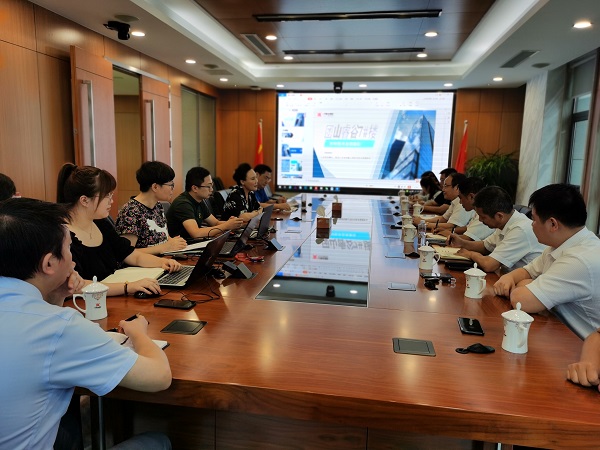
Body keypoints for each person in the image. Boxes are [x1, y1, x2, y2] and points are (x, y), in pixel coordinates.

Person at [0, 197, 172, 450]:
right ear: (49, 263)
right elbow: (159, 377)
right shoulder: (58, 328)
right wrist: (138, 333)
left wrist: (56, 295)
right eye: (69, 248)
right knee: (158, 442)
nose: (73, 261)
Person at [494, 183, 600, 339]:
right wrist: (510, 277)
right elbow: (528, 270)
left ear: (553, 224)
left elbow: (522, 301)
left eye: (534, 219)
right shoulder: (561, 244)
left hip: (580, 346)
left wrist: (524, 284)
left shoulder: (579, 259)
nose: (532, 224)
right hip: (558, 330)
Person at [57, 163, 181, 296]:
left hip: (113, 298)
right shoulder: (61, 236)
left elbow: (132, 255)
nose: (111, 201)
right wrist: (127, 287)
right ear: (84, 200)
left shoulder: (101, 224)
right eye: (107, 196)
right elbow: (76, 286)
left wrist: (162, 262)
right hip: (88, 303)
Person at [448, 186, 545, 272]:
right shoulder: (506, 222)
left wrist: (470, 254)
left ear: (499, 216)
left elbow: (489, 265)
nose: (480, 220)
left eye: (483, 217)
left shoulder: (520, 230)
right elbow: (486, 246)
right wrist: (462, 243)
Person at [116, 161, 187, 255]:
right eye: (171, 185)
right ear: (155, 187)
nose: (172, 189)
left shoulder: (158, 206)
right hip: (145, 264)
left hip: (163, 259)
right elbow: (126, 253)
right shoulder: (131, 211)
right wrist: (165, 247)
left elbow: (163, 237)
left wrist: (174, 242)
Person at [166, 166, 244, 240]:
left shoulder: (199, 200)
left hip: (193, 243)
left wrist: (233, 223)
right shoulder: (183, 204)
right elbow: (196, 233)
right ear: (195, 188)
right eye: (208, 186)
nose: (211, 189)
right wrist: (227, 225)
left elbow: (215, 223)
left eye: (212, 186)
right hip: (183, 246)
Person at [435, 176, 493, 241]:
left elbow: (466, 239)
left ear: (471, 197)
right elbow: (467, 228)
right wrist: (448, 230)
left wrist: (447, 233)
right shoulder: (478, 211)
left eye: (461, 198)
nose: (460, 202)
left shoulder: (485, 214)